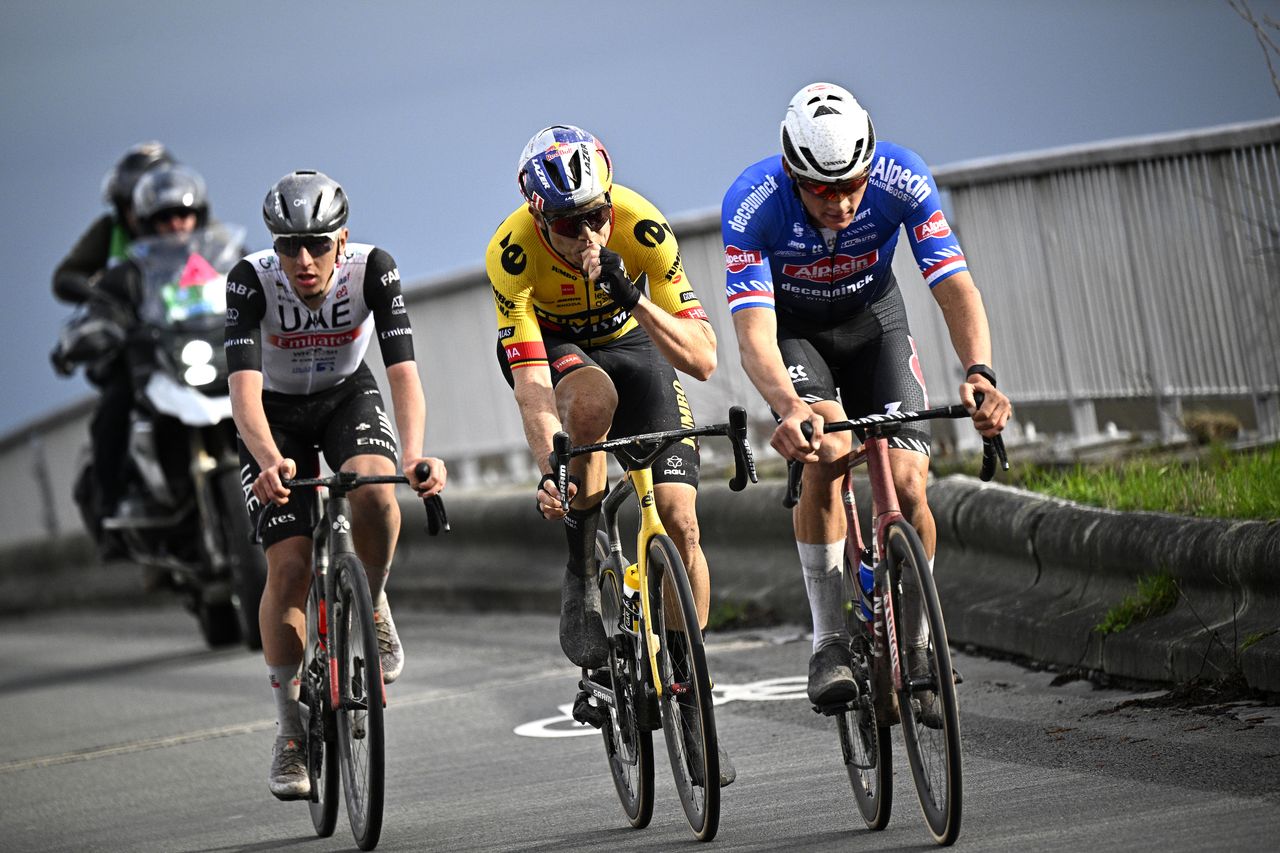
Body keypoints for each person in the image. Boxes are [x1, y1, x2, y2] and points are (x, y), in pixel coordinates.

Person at [721, 83, 1012, 714]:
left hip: (875, 321)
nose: (844, 202)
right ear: (795, 176)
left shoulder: (902, 178)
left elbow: (955, 288)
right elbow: (753, 339)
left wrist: (981, 372)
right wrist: (789, 406)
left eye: (853, 184)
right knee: (825, 451)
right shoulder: (752, 203)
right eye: (824, 191)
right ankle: (827, 640)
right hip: (795, 337)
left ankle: (921, 645)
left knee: (909, 485)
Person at [485, 126, 735, 784]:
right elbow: (535, 388)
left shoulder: (642, 228)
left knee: (681, 520)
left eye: (597, 215)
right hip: (559, 349)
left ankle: (689, 689)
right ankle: (580, 571)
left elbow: (703, 357)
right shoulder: (510, 254)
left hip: (635, 339)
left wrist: (635, 298)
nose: (588, 235)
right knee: (589, 403)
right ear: (540, 217)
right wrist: (550, 469)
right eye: (570, 223)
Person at [225, 169, 447, 800]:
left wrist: (418, 454)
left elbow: (403, 372)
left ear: (342, 240)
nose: (304, 260)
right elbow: (241, 394)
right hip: (274, 414)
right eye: (289, 245)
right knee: (290, 567)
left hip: (346, 396)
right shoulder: (249, 280)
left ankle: (371, 602)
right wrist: (267, 460)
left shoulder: (374, 268)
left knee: (378, 491)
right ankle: (290, 729)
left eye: (319, 244)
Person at [57, 162, 216, 546]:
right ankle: (111, 511)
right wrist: (100, 318)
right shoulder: (127, 269)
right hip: (151, 358)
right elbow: (74, 283)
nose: (176, 223)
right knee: (115, 406)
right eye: (164, 216)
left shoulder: (216, 253)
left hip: (210, 354)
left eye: (183, 213)